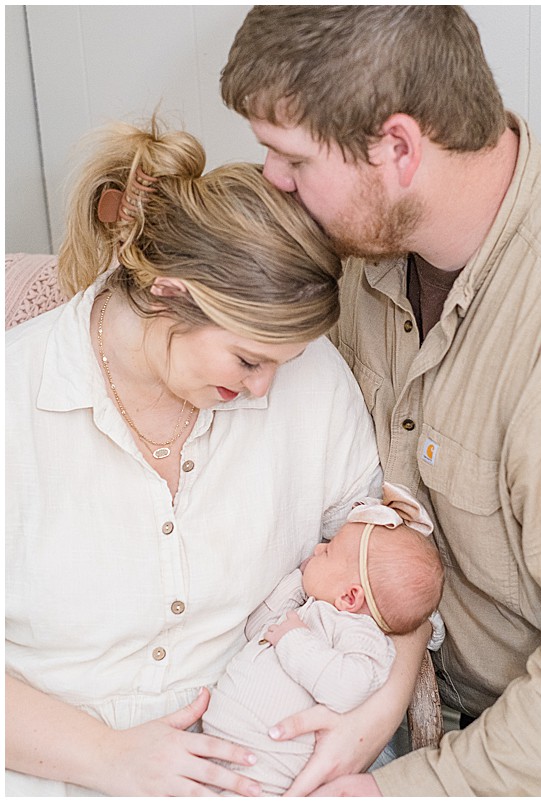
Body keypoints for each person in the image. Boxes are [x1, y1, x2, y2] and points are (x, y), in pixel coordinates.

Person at [220, 6, 541, 796]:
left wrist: (409, 788)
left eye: (290, 157)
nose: (273, 180)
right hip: (366, 678)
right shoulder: (369, 240)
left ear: (397, 147)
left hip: (510, 750)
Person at [4, 119, 430, 797]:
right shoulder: (15, 399)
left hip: (268, 761)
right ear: (170, 291)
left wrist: (372, 719)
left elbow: (392, 572)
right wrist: (107, 757)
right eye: (249, 360)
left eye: (281, 364)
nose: (262, 388)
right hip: (56, 771)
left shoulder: (308, 379)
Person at [204, 482, 444, 796]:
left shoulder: (363, 638)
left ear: (349, 596)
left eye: (328, 552)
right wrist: (299, 584)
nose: (318, 548)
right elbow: (259, 629)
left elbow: (347, 687)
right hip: (223, 749)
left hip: (274, 769)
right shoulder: (314, 613)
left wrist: (294, 640)